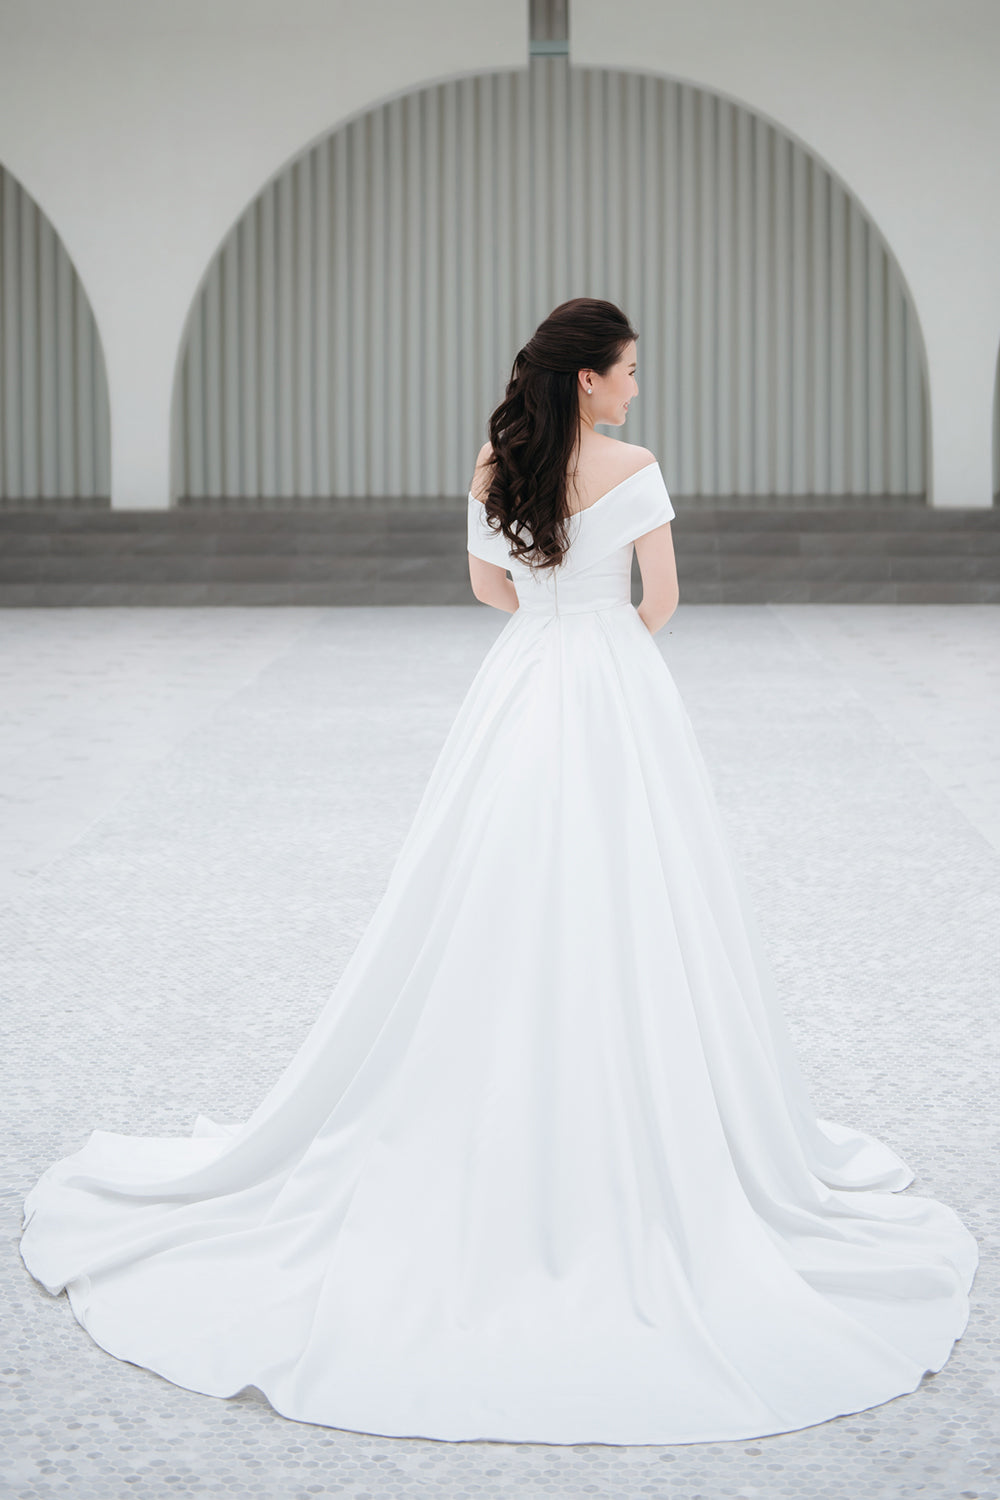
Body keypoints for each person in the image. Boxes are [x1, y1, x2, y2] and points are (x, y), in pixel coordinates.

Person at [20, 297, 978, 1447]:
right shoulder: (637, 466)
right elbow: (659, 603)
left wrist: (553, 627)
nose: (635, 386)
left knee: (487, 890)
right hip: (615, 689)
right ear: (588, 380)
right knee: (640, 897)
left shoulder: (497, 460)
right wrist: (606, 654)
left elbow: (489, 593)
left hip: (521, 687)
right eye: (626, 370)